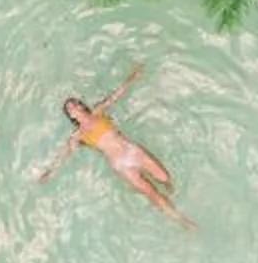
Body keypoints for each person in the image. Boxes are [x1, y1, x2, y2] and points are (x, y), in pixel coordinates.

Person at [37, 65, 191, 227]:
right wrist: (50, 172)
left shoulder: (98, 111)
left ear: (81, 105)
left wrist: (133, 77)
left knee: (165, 178)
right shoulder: (78, 136)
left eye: (74, 103)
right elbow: (65, 155)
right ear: (71, 116)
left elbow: (115, 96)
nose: (73, 106)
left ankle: (180, 197)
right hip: (121, 165)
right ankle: (182, 221)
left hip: (133, 151)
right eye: (69, 108)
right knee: (151, 193)